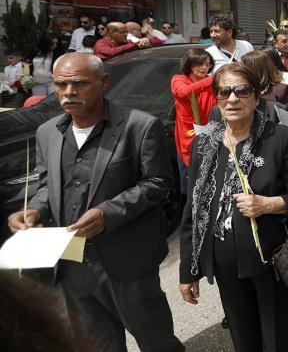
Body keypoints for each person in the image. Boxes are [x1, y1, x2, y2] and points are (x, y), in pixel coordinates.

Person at [8, 53, 183, 352]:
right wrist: (34, 210)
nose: (69, 92)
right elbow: (46, 186)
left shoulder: (139, 126)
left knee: (156, 341)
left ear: (103, 82)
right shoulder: (47, 132)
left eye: (79, 83)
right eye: (60, 85)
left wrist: (107, 213)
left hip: (126, 260)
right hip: (71, 261)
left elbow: (158, 183)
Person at [179, 63, 288, 352]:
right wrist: (188, 270)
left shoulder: (279, 137)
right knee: (243, 338)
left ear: (256, 96)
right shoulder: (204, 143)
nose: (232, 99)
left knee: (275, 339)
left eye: (242, 91)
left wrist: (270, 204)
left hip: (271, 262)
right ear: (216, 97)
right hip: (224, 264)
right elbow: (193, 209)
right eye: (224, 92)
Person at [170, 49, 217, 195]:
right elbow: (184, 92)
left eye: (207, 64)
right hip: (188, 135)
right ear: (190, 64)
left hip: (211, 133)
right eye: (200, 64)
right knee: (189, 183)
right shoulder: (178, 79)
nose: (204, 68)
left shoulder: (213, 82)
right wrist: (211, 79)